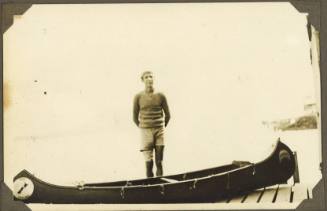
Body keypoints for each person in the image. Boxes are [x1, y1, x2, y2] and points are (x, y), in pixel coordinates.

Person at [133, 71, 170, 178]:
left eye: (151, 76)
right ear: (142, 80)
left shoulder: (161, 95)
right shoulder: (138, 97)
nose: (149, 79)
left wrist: (160, 126)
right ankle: (150, 186)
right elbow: (135, 118)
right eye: (146, 77)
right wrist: (144, 127)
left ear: (154, 79)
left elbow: (168, 115)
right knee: (149, 164)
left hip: (159, 131)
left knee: (159, 162)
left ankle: (160, 187)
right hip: (145, 131)